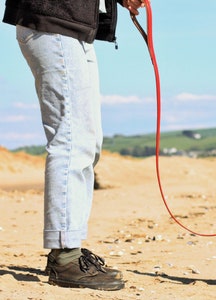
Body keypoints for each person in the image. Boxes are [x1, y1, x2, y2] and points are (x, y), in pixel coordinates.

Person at [2, 0, 144, 291]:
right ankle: (66, 254)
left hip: (71, 27)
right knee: (71, 139)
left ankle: (68, 251)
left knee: (88, 141)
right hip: (53, 22)